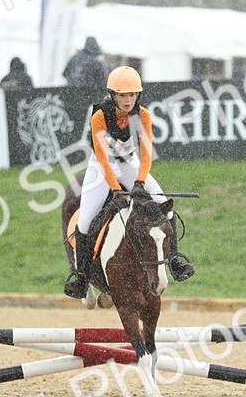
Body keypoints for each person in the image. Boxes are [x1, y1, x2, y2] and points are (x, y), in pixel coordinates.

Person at [63, 65, 195, 299]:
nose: (128, 99)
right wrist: (115, 188)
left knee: (166, 206)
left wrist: (140, 182)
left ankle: (174, 258)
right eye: (123, 95)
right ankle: (81, 275)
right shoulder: (100, 117)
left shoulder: (143, 115)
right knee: (84, 222)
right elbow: (103, 159)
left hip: (129, 164)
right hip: (101, 168)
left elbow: (146, 155)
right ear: (113, 95)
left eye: (132, 94)